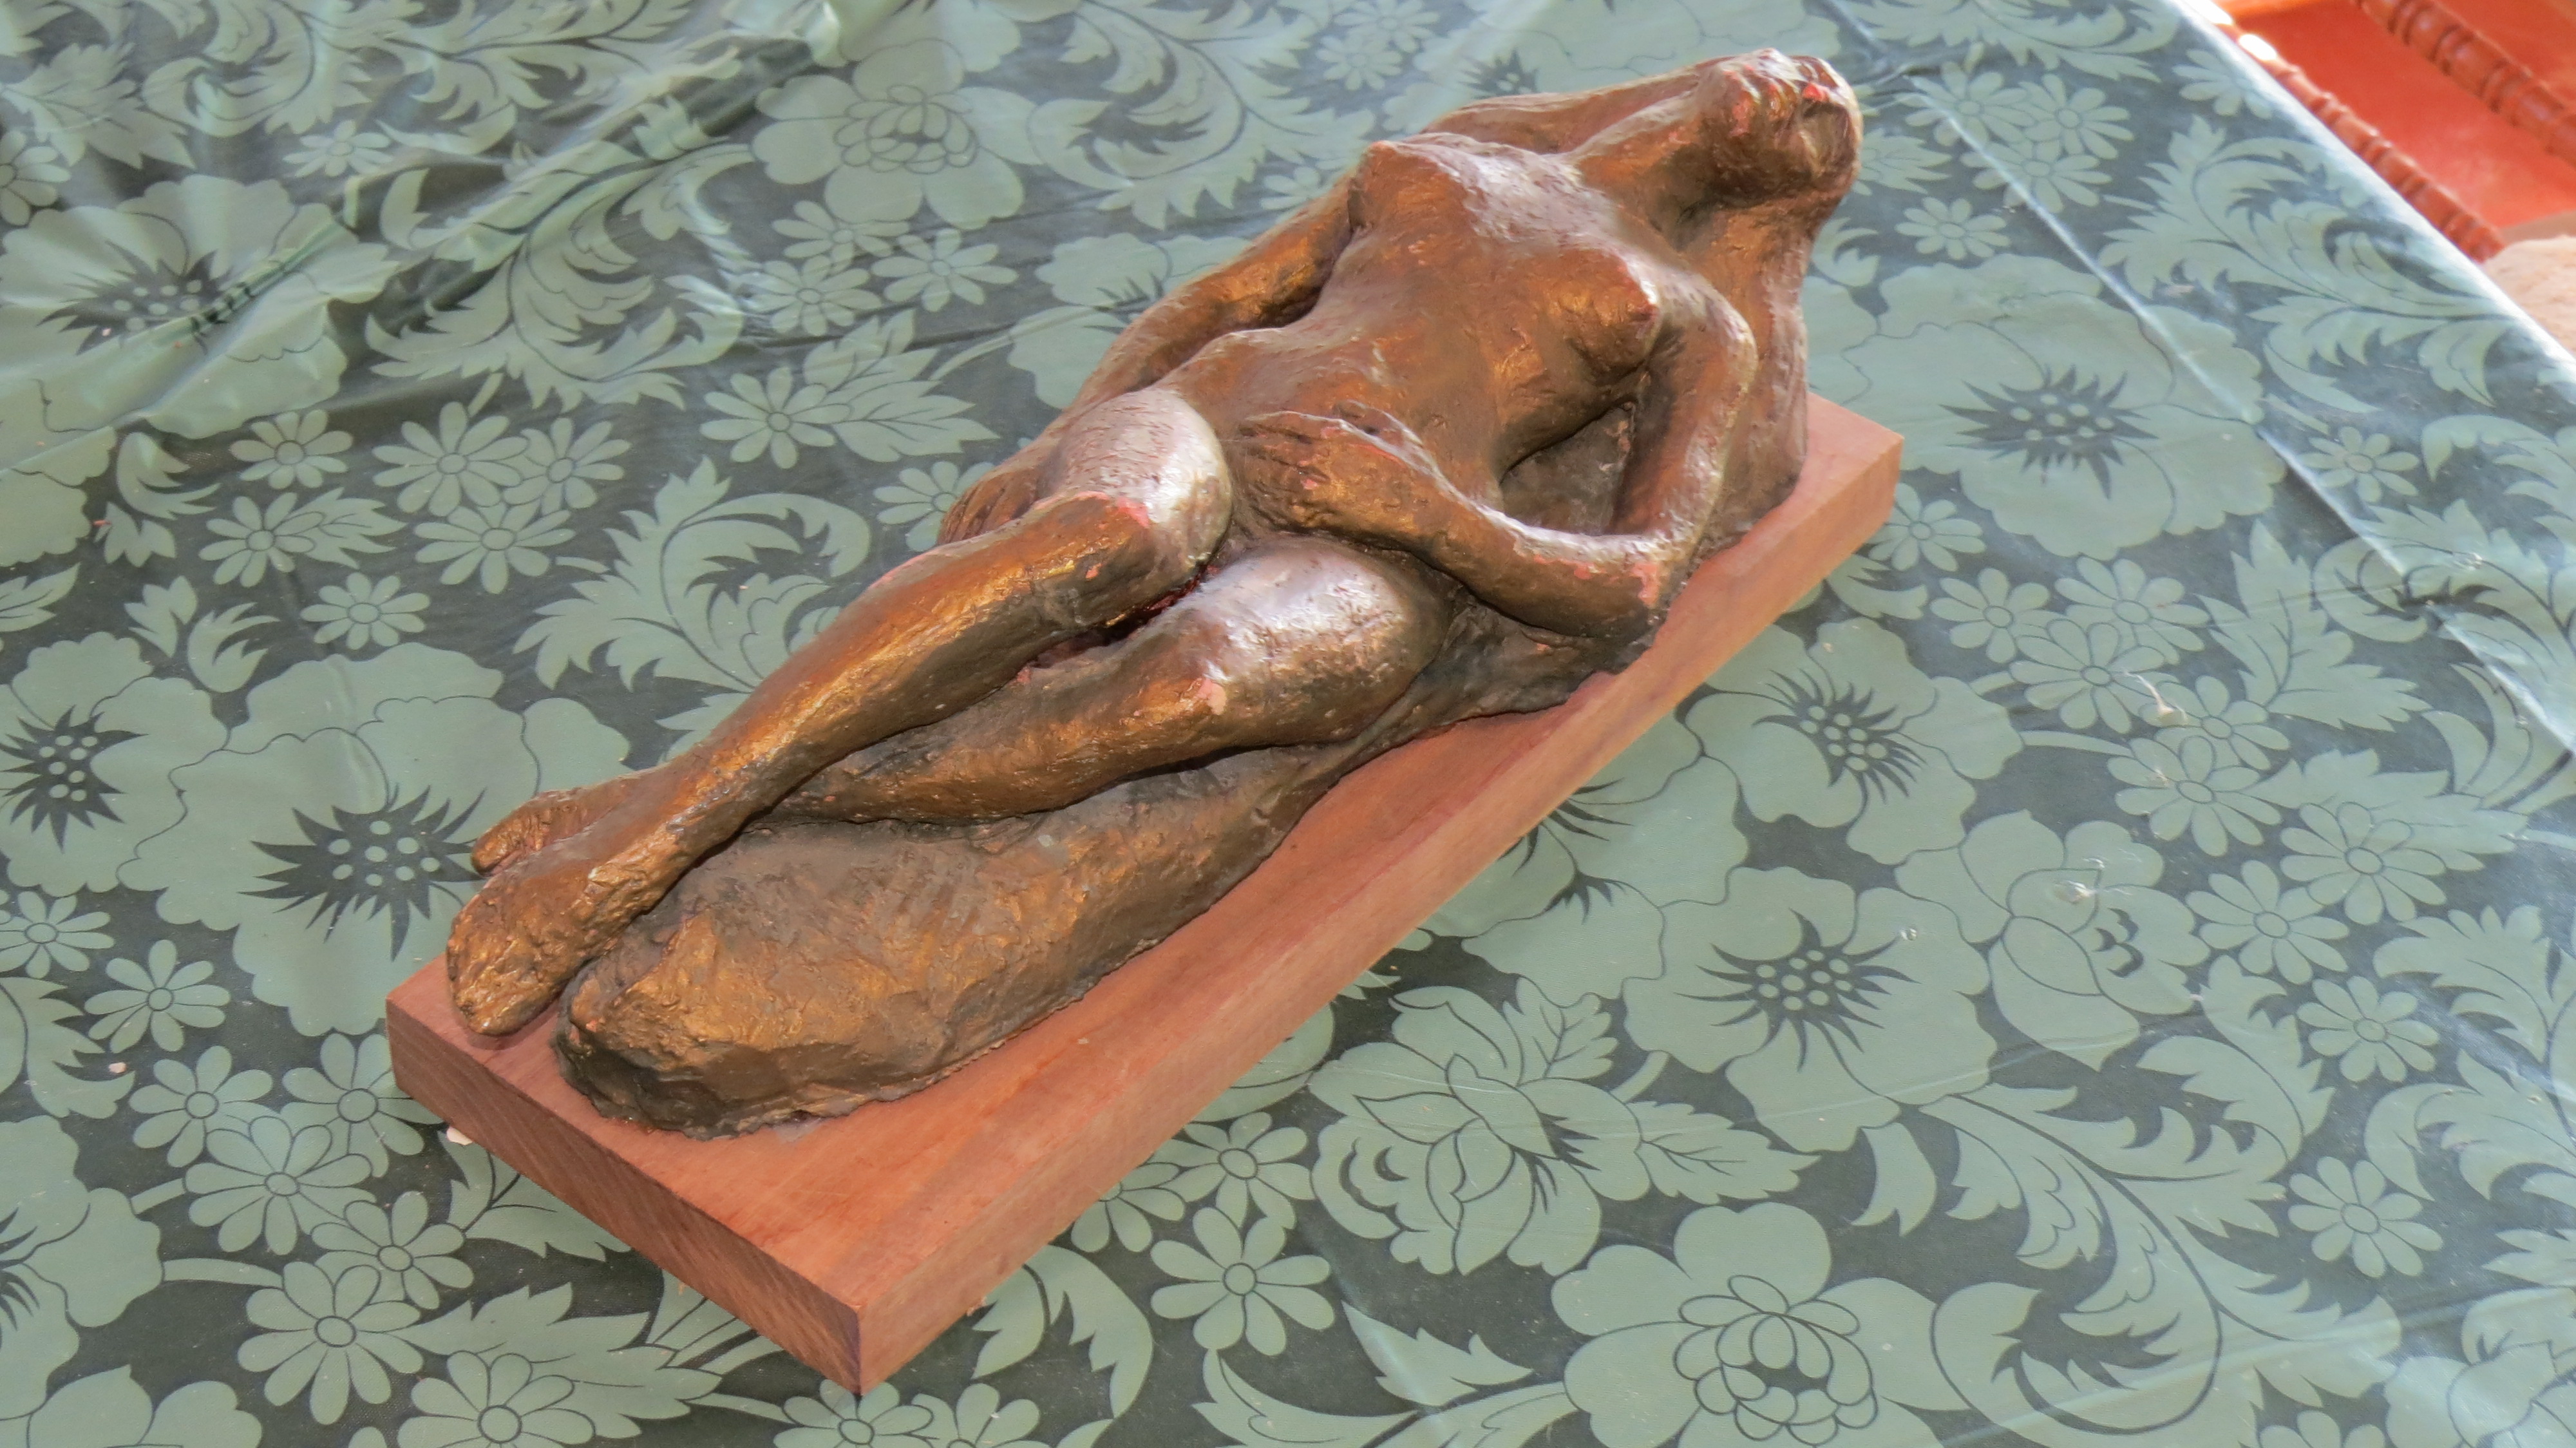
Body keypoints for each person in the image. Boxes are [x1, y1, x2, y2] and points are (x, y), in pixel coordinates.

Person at [446, 50, 1862, 1037]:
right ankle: (640, 848)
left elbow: (1634, 583)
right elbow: (1219, 300)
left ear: (1783, 194)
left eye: (1827, 128)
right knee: (1108, 533)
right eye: (1808, 75)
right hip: (1216, 417)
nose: (1810, 93)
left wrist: (1425, 516)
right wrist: (1062, 431)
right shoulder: (1463, 148)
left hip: (1385, 545)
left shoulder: (1695, 320)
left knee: (1196, 686)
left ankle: (683, 802)